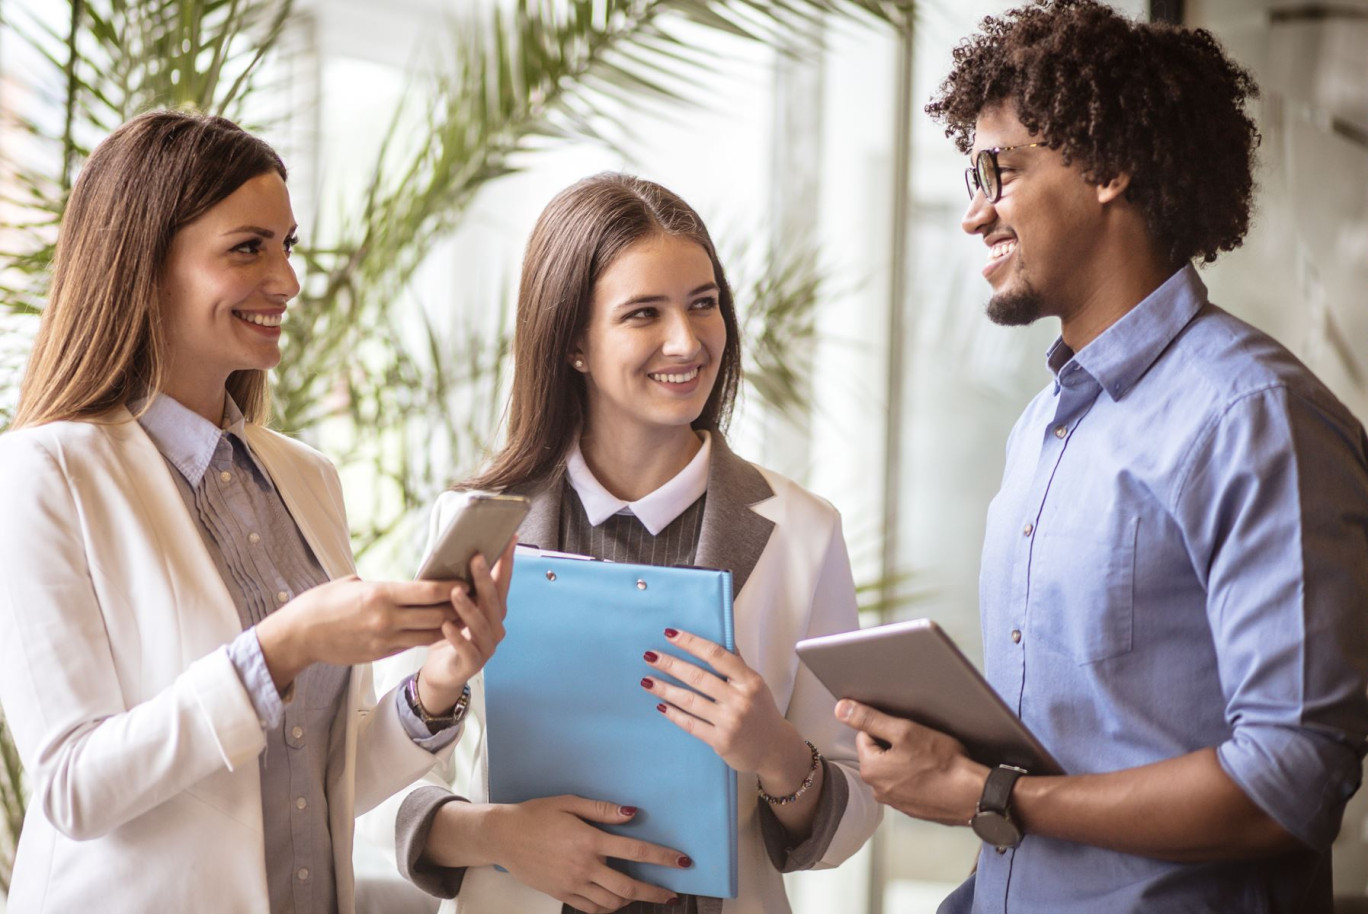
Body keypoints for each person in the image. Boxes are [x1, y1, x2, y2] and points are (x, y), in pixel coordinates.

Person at [833, 1, 1368, 911]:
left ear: (1110, 168)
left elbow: (1289, 784)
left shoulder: (1256, 418)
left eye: (999, 170)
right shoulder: (1043, 426)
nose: (974, 213)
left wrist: (991, 796)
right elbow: (1079, 748)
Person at [0, 110, 513, 912]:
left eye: (288, 245)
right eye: (249, 248)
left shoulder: (305, 478)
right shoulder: (46, 472)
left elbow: (321, 781)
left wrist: (438, 684)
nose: (287, 281)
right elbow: (73, 786)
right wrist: (282, 648)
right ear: (147, 263)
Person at [368, 173, 881, 914]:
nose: (687, 340)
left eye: (703, 304)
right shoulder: (476, 524)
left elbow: (853, 813)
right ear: (573, 342)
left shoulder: (804, 530)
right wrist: (500, 837)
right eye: (644, 313)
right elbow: (382, 786)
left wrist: (775, 753)